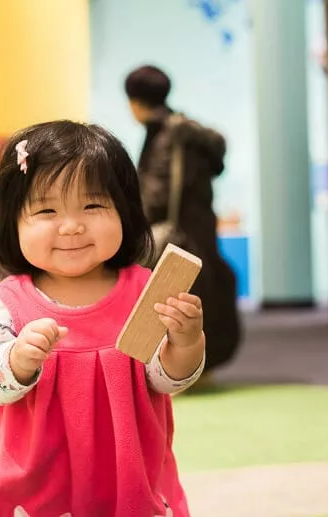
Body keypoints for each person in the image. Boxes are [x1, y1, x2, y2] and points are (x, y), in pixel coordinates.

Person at [0, 120, 206, 516]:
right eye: (46, 210)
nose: (73, 226)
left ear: (124, 213)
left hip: (127, 475)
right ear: (14, 222)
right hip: (38, 480)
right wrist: (17, 359)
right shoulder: (10, 302)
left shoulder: (144, 290)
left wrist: (186, 341)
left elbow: (163, 379)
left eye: (93, 206)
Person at [125, 64, 242, 375]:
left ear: (135, 102)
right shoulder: (192, 132)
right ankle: (202, 367)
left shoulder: (165, 138)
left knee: (174, 303)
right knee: (200, 300)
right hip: (201, 231)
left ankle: (183, 370)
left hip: (175, 239)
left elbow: (155, 198)